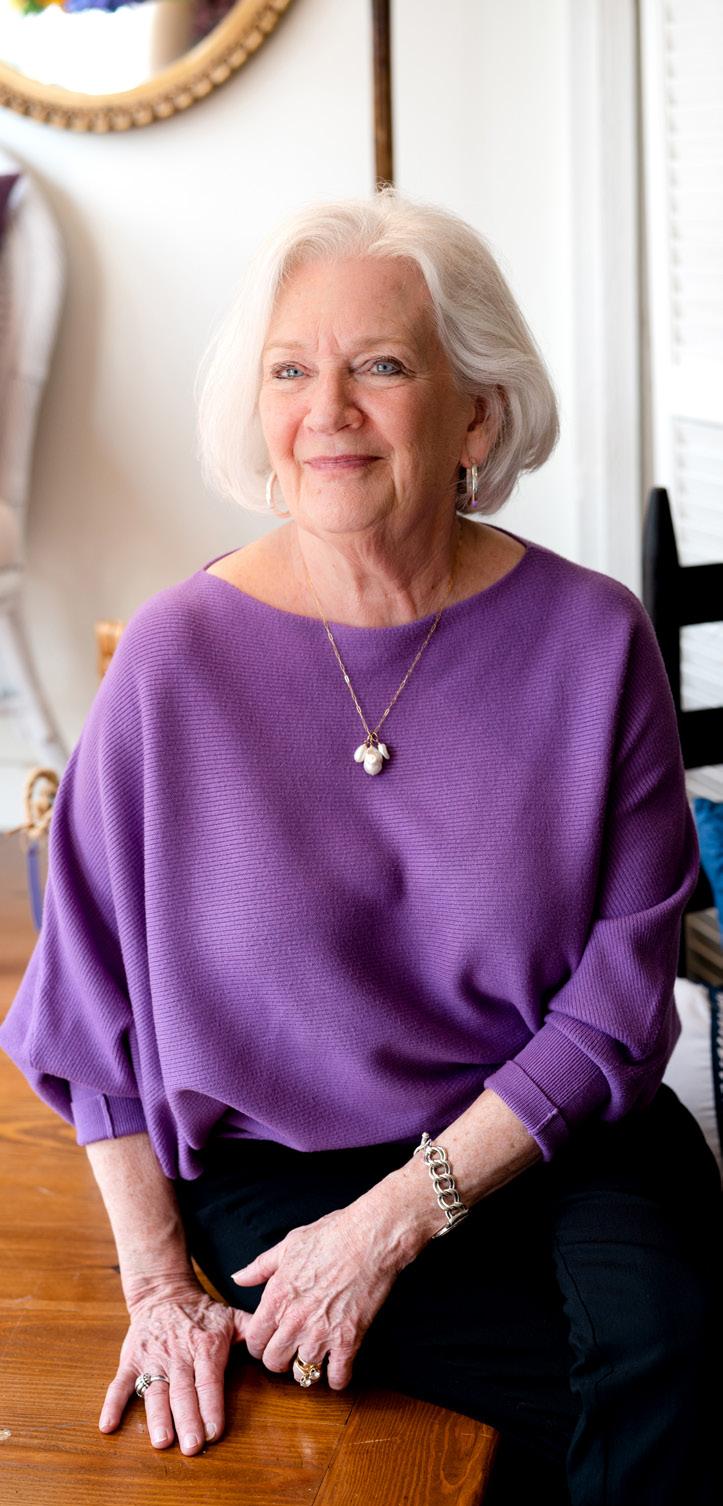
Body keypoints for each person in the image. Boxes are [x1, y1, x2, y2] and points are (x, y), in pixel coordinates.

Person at [1, 189, 720, 1506]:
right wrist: (159, 1287)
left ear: (476, 415)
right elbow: (84, 1011)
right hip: (283, 1158)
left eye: (380, 366)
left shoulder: (592, 639)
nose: (327, 409)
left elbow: (621, 998)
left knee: (673, 1351)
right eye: (292, 371)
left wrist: (400, 1215)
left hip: (553, 1128)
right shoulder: (175, 658)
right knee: (561, 1410)